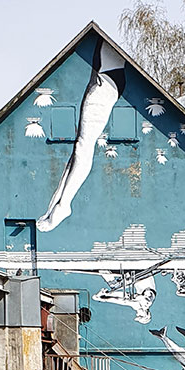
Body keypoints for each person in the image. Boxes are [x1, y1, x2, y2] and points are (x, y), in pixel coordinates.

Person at [37, 38, 126, 232]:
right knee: (80, 148)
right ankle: (58, 203)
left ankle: (63, 204)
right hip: (104, 78)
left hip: (106, 82)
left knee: (83, 147)